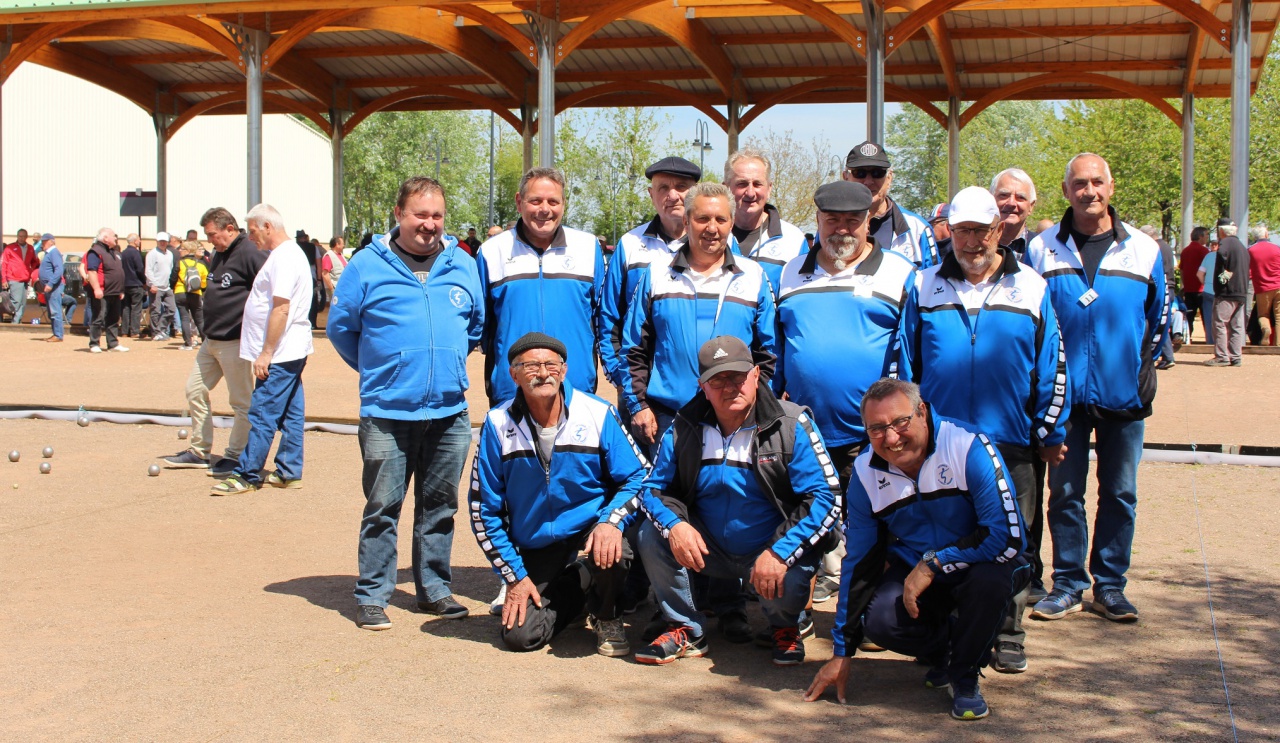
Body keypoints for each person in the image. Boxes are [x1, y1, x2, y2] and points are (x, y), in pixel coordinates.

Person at [898, 186, 1068, 674]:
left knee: (1013, 540)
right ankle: (952, 633)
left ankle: (1010, 632)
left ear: (1000, 230)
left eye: (982, 231)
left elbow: (1052, 364)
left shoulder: (1032, 286)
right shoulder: (923, 285)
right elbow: (904, 363)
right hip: (942, 444)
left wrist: (1050, 428)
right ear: (950, 231)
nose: (972, 242)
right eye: (962, 231)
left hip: (1011, 440)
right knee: (949, 536)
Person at [804, 379, 1028, 721]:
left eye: (900, 423)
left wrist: (934, 564)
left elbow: (1008, 537)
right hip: (916, 573)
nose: (891, 438)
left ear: (922, 412)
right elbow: (858, 563)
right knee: (877, 620)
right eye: (876, 429)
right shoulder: (864, 473)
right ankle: (949, 653)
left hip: (980, 563)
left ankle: (964, 675)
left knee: (990, 583)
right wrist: (841, 650)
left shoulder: (967, 446)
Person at [328, 176, 484, 631]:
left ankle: (434, 589)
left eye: (437, 215)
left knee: (440, 506)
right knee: (382, 507)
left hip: (449, 411)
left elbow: (475, 326)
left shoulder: (462, 264)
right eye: (420, 214)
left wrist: (448, 365)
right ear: (399, 214)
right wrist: (384, 370)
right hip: (387, 412)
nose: (429, 224)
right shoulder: (365, 266)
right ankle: (372, 594)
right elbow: (342, 329)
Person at [635, 336, 841, 665]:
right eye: (718, 380)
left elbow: (826, 498)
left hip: (769, 546)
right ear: (702, 386)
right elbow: (652, 488)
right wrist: (676, 526)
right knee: (650, 533)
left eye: (738, 377)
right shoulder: (684, 426)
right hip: (709, 549)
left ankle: (785, 625)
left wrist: (779, 551)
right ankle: (686, 626)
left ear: (757, 376)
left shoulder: (791, 423)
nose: (730, 387)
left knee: (799, 557)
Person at [1024, 153, 1167, 623]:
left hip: (1122, 396)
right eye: (1080, 184)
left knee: (1120, 493)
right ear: (1066, 191)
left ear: (1111, 186)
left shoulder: (1144, 249)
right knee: (1065, 494)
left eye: (1098, 182)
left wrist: (1135, 371)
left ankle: (1110, 585)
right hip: (1063, 400)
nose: (1090, 191)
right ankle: (1068, 583)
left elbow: (1155, 319)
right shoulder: (1042, 248)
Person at [774, 180, 916, 604]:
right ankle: (792, 612)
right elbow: (778, 351)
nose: (841, 229)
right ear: (816, 220)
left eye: (852, 220)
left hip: (872, 434)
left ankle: (870, 611)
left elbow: (910, 355)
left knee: (874, 527)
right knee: (805, 523)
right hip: (804, 431)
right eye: (831, 219)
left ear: (869, 221)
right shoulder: (788, 272)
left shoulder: (899, 271)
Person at [471, 332, 649, 654]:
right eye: (531, 366)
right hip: (536, 539)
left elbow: (639, 475)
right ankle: (581, 581)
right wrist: (514, 576)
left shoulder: (597, 412)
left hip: (591, 527)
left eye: (551, 365)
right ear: (513, 374)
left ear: (564, 371)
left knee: (615, 552)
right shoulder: (497, 424)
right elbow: (484, 510)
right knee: (520, 637)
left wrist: (611, 521)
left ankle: (606, 614)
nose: (542, 373)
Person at [620, 181, 777, 457]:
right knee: (666, 498)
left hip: (735, 420)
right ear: (687, 220)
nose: (712, 228)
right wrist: (639, 406)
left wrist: (756, 406)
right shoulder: (657, 274)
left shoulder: (753, 276)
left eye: (720, 219)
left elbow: (770, 354)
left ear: (731, 223)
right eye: (702, 218)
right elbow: (634, 348)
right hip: (668, 419)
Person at [477, 167, 604, 406]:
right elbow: (481, 323)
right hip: (511, 389)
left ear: (563, 204)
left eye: (553, 201)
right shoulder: (491, 251)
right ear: (519, 202)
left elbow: (602, 318)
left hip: (576, 388)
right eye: (535, 201)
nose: (544, 209)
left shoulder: (588, 247)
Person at [210, 205, 314, 496]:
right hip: (290, 348)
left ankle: (247, 474)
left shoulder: (283, 258)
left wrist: (266, 352)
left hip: (280, 352)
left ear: (267, 226)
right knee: (291, 412)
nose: (251, 237)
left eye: (253, 231)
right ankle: (288, 471)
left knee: (263, 412)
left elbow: (281, 308)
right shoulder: (288, 255)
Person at [161, 208, 266, 475]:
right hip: (212, 340)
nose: (210, 241)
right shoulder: (219, 253)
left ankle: (236, 455)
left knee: (241, 402)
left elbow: (266, 291)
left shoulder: (250, 252)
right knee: (194, 390)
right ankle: (199, 450)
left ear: (230, 229)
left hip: (235, 341)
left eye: (212, 235)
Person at [598, 156, 701, 420]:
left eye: (681, 187)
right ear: (651, 194)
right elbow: (609, 317)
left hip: (704, 390)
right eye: (663, 188)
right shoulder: (630, 244)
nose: (672, 195)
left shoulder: (718, 242)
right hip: (639, 392)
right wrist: (622, 379)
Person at [724, 148, 809, 296]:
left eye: (757, 184)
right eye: (742, 184)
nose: (750, 192)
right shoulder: (710, 235)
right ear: (726, 188)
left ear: (769, 189)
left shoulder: (793, 239)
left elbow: (802, 297)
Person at [841, 141, 938, 267]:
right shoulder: (831, 228)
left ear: (889, 177)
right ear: (846, 177)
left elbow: (932, 281)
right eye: (860, 173)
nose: (868, 181)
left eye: (877, 173)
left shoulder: (917, 229)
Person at [1206, 218, 1249, 366]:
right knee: (1236, 326)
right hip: (1242, 291)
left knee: (1220, 323)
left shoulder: (1225, 243)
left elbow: (1222, 257)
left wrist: (1222, 276)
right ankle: (1236, 356)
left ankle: (1222, 356)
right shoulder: (1242, 246)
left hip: (1227, 292)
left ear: (1221, 231)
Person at [84, 227, 128, 353]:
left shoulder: (113, 252)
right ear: (105, 238)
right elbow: (91, 271)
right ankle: (94, 344)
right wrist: (97, 289)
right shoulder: (95, 252)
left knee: (113, 319)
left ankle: (113, 344)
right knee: (98, 318)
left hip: (115, 291)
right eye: (113, 236)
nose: (116, 238)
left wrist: (121, 290)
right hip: (102, 291)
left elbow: (118, 272)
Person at [1141, 226, 1179, 369]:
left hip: (1161, 288)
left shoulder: (1154, 247)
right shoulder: (1166, 247)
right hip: (1169, 286)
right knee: (1162, 321)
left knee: (1159, 322)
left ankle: (1168, 356)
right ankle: (1167, 356)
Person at [991, 168, 1037, 258]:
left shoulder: (1043, 249)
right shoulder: (972, 247)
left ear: (1031, 206)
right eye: (1004, 195)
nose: (1011, 203)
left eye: (1020, 197)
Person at [1248, 223, 1280, 345]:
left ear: (1254, 237)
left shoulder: (1250, 250)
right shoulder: (1277, 248)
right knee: (1278, 317)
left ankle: (1265, 329)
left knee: (1263, 315)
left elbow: (1248, 271)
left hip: (1262, 288)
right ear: (1266, 234)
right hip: (1278, 285)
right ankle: (1278, 345)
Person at [174, 240, 208, 350]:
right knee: (199, 319)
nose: (180, 251)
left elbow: (173, 278)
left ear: (188, 250)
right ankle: (205, 342)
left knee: (184, 318)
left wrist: (174, 287)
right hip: (196, 293)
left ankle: (188, 343)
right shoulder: (200, 264)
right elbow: (205, 281)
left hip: (180, 292)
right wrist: (201, 289)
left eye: (182, 249)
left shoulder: (179, 263)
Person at [2, 229, 40, 324]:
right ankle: (13, 322)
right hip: (14, 279)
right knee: (16, 302)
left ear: (26, 237)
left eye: (23, 236)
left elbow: (35, 261)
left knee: (23, 304)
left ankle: (16, 323)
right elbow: (4, 264)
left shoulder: (30, 248)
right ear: (17, 236)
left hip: (25, 279)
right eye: (20, 236)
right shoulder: (10, 248)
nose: (21, 238)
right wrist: (4, 279)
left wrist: (30, 271)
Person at [1180, 227, 1210, 342]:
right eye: (1206, 235)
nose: (1207, 238)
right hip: (1202, 289)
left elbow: (1182, 270)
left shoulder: (1185, 251)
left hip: (1189, 289)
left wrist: (1184, 284)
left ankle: (1186, 338)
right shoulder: (1204, 251)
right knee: (1206, 316)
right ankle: (1209, 339)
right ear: (1200, 236)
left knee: (1189, 317)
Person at [145, 232, 176, 341]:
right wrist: (153, 283)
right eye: (160, 241)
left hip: (167, 286)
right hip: (156, 286)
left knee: (171, 309)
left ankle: (160, 329)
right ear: (157, 241)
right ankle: (155, 333)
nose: (162, 243)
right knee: (155, 310)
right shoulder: (152, 254)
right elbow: (148, 270)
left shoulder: (170, 254)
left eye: (164, 241)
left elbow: (170, 269)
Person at [36, 233, 67, 342]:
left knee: (55, 311)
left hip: (54, 287)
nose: (42, 244)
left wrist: (50, 283)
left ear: (51, 242)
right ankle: (56, 333)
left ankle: (58, 335)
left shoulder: (54, 252)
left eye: (44, 242)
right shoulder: (49, 253)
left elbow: (59, 270)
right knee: (51, 311)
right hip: (50, 287)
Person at [119, 234, 148, 338]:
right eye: (139, 240)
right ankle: (135, 331)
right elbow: (140, 268)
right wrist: (144, 281)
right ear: (135, 241)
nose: (140, 241)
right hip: (136, 284)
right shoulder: (135, 253)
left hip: (125, 284)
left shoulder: (123, 253)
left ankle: (124, 331)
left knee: (125, 308)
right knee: (136, 308)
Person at [1198, 240, 1218, 347]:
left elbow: (1199, 274)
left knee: (1209, 319)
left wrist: (1205, 283)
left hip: (1208, 290)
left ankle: (1210, 342)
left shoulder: (1208, 256)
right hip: (1221, 292)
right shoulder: (1226, 256)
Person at [320, 236, 347, 304]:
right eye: (342, 244)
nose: (343, 245)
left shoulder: (341, 255)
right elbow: (325, 274)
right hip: (335, 287)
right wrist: (332, 289)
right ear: (337, 244)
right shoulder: (328, 256)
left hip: (341, 287)